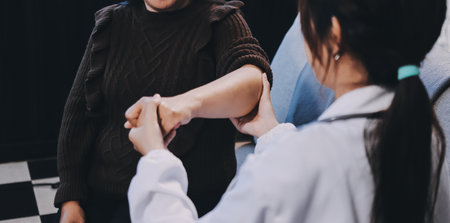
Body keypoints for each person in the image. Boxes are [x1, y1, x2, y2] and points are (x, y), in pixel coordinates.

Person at [125, 0, 450, 222]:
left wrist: (156, 159)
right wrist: (272, 133)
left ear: (333, 37)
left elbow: (305, 171)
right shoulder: (429, 139)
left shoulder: (297, 164)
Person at [55, 0, 273, 222]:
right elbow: (77, 117)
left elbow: (254, 85)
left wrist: (183, 105)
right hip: (100, 196)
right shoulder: (111, 21)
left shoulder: (220, 19)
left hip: (182, 201)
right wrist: (70, 199)